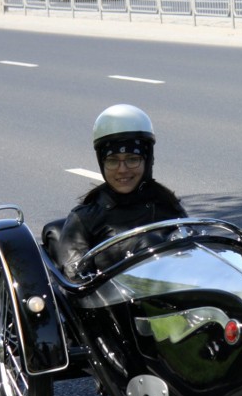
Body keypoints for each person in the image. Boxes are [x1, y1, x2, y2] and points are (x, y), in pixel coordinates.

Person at [53, 104, 187, 280]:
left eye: (132, 159)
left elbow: (193, 257)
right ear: (102, 163)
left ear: (148, 160)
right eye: (112, 160)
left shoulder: (167, 204)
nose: (122, 169)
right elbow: (76, 280)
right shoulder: (84, 219)